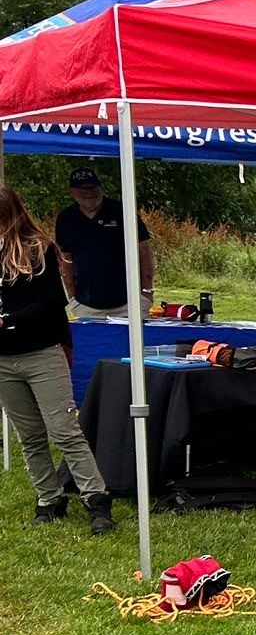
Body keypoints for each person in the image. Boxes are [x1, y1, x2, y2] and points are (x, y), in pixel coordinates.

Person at [0, 184, 115, 533]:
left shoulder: (39, 249)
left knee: (65, 431)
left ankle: (96, 500)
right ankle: (49, 498)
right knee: (29, 435)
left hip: (41, 353)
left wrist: (9, 320)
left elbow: (52, 303)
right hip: (3, 360)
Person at [53, 167, 152, 318]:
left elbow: (144, 252)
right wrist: (72, 297)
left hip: (129, 302)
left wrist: (146, 292)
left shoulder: (122, 211)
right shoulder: (66, 218)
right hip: (85, 304)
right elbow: (65, 259)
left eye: (93, 187)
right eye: (82, 189)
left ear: (100, 188)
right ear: (71, 192)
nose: (89, 193)